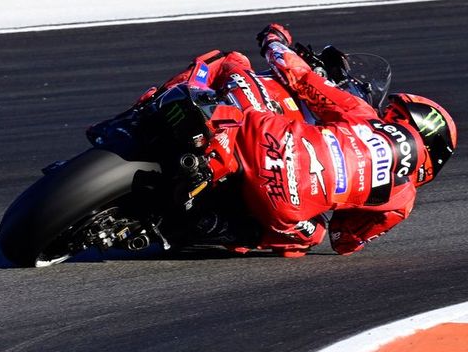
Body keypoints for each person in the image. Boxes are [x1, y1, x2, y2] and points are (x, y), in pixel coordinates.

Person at [140, 23, 457, 256]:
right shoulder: (402, 201)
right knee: (313, 234)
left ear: (403, 120)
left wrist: (273, 40)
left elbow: (302, 79)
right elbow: (343, 240)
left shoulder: (363, 114)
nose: (384, 112)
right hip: (282, 205)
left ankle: (147, 108)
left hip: (260, 137)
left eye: (391, 110)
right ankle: (209, 225)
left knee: (229, 61)